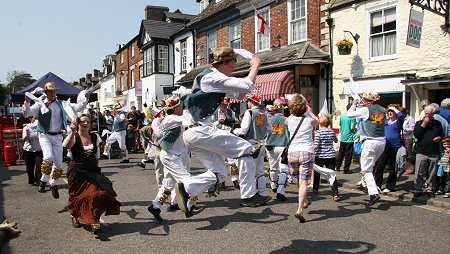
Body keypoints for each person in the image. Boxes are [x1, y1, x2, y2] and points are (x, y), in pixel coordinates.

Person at [174, 47, 271, 216]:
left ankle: (186, 187)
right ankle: (248, 195)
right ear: (224, 63)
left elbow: (241, 95)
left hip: (193, 133)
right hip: (201, 131)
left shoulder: (211, 78)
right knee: (248, 150)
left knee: (219, 172)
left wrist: (245, 63)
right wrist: (254, 65)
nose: (234, 67)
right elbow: (247, 85)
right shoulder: (212, 77)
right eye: (233, 63)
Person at [22, 82, 88, 199]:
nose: (52, 93)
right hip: (45, 135)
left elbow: (78, 108)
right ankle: (43, 181)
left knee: (58, 163)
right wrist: (27, 102)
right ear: (46, 93)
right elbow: (27, 113)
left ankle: (53, 184)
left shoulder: (62, 104)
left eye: (54, 91)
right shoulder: (40, 105)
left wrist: (84, 98)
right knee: (48, 158)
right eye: (50, 92)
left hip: (58, 136)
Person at [147, 96, 204, 221]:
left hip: (177, 155)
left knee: (168, 183)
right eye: (181, 106)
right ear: (176, 108)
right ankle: (191, 206)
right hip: (171, 156)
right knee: (187, 180)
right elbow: (188, 121)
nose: (183, 108)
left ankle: (155, 206)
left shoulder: (177, 118)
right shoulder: (170, 119)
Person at [64, 113, 121, 234]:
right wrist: (72, 132)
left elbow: (96, 155)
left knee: (98, 194)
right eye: (82, 122)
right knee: (77, 197)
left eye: (87, 122)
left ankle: (94, 220)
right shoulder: (74, 137)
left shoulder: (95, 137)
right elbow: (66, 146)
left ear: (90, 124)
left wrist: (96, 170)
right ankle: (74, 215)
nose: (85, 124)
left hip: (91, 171)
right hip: (76, 172)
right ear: (77, 124)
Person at [347, 91, 386, 207]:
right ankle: (371, 186)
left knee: (366, 170)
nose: (362, 101)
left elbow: (349, 114)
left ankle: (373, 193)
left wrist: (354, 104)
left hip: (370, 142)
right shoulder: (383, 109)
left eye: (363, 99)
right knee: (370, 167)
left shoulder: (366, 109)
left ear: (368, 100)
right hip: (381, 141)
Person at [286, 94, 319, 223]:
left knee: (299, 180)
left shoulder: (288, 120)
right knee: (304, 182)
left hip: (292, 153)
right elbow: (317, 121)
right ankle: (300, 209)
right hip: (306, 152)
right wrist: (310, 111)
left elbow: (289, 118)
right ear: (304, 107)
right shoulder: (309, 120)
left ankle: (304, 201)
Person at [233, 93, 272, 197]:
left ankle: (251, 195)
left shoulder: (249, 112)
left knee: (249, 171)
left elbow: (244, 130)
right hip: (261, 143)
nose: (247, 103)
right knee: (259, 171)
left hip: (250, 144)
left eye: (248, 101)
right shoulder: (264, 113)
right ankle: (262, 194)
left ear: (252, 102)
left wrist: (235, 130)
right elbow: (269, 129)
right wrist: (261, 133)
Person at [413, 104, 443, 197]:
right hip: (422, 150)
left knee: (432, 172)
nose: (427, 115)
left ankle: (430, 189)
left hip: (433, 151)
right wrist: (424, 124)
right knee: (419, 171)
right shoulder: (419, 123)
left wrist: (439, 137)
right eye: (426, 113)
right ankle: (418, 189)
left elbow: (441, 134)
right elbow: (416, 134)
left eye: (429, 113)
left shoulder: (437, 123)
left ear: (433, 114)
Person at [374, 105, 404, 193]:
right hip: (384, 146)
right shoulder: (386, 121)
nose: (390, 112)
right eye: (389, 111)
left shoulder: (398, 121)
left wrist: (394, 108)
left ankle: (390, 186)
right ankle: (377, 185)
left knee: (393, 167)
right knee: (380, 166)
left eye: (392, 111)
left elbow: (401, 116)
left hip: (394, 146)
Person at [265, 100, 290, 201]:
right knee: (283, 168)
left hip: (270, 145)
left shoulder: (269, 119)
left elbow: (265, 133)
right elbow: (289, 134)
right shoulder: (286, 120)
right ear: (282, 111)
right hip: (282, 145)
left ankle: (273, 184)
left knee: (273, 166)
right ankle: (280, 190)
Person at [313, 114, 341, 201]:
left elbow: (316, 145)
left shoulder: (318, 133)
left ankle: (315, 188)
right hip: (331, 155)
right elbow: (336, 140)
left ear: (320, 123)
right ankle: (335, 194)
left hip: (320, 155)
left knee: (317, 172)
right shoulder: (332, 132)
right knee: (332, 174)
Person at [335, 104, 356, 174]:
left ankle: (337, 166)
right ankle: (346, 169)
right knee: (348, 154)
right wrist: (356, 129)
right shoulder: (352, 117)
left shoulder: (342, 116)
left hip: (343, 137)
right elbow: (352, 128)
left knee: (341, 153)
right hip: (350, 137)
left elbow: (340, 126)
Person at [22, 116, 43, 186]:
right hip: (28, 150)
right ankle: (31, 179)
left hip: (38, 150)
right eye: (34, 119)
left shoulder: (40, 127)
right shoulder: (26, 127)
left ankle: (38, 180)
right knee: (29, 168)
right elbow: (24, 139)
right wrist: (27, 134)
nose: (36, 120)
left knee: (39, 165)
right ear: (31, 119)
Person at [402, 107, 416, 175]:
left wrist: (405, 129)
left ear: (405, 112)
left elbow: (413, 128)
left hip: (408, 137)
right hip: (401, 137)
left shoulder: (410, 119)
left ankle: (411, 168)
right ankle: (405, 167)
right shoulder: (400, 119)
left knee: (408, 154)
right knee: (403, 153)